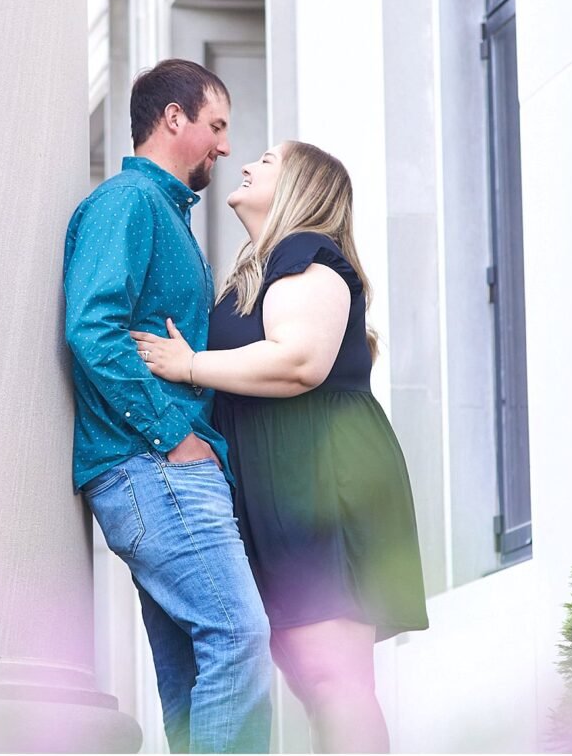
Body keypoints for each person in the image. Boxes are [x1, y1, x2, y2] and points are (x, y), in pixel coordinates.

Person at [132, 139, 430, 754]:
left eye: (267, 162)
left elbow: (299, 362)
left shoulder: (307, 255)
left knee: (332, 679)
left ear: (301, 188)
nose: (246, 164)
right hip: (283, 479)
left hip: (319, 477)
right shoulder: (265, 270)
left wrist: (190, 365)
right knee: (314, 679)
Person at [63, 59, 273, 754]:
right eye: (217, 125)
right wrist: (171, 436)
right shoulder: (129, 202)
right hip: (154, 468)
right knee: (240, 638)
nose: (225, 146)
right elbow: (92, 327)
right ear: (173, 118)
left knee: (191, 675)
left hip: (155, 470)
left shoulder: (162, 212)